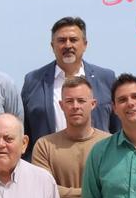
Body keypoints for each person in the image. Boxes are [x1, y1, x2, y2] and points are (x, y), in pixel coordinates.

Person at [20, 16, 118, 161]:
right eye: (61, 40)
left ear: (85, 44)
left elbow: (118, 127)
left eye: (73, 40)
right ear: (52, 46)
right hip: (47, 165)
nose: (67, 45)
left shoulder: (106, 78)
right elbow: (24, 129)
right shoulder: (33, 81)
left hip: (99, 164)